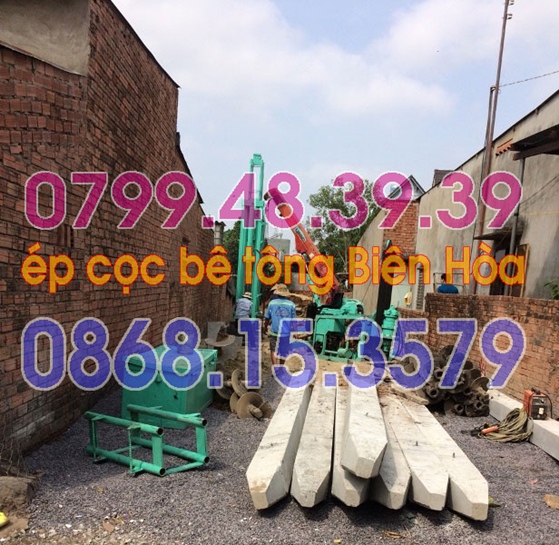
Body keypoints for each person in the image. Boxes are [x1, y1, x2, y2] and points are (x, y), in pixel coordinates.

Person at [264, 284, 296, 366]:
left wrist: (265, 327)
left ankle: (275, 367)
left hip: (274, 331)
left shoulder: (272, 303)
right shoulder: (291, 304)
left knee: (273, 350)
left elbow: (267, 318)